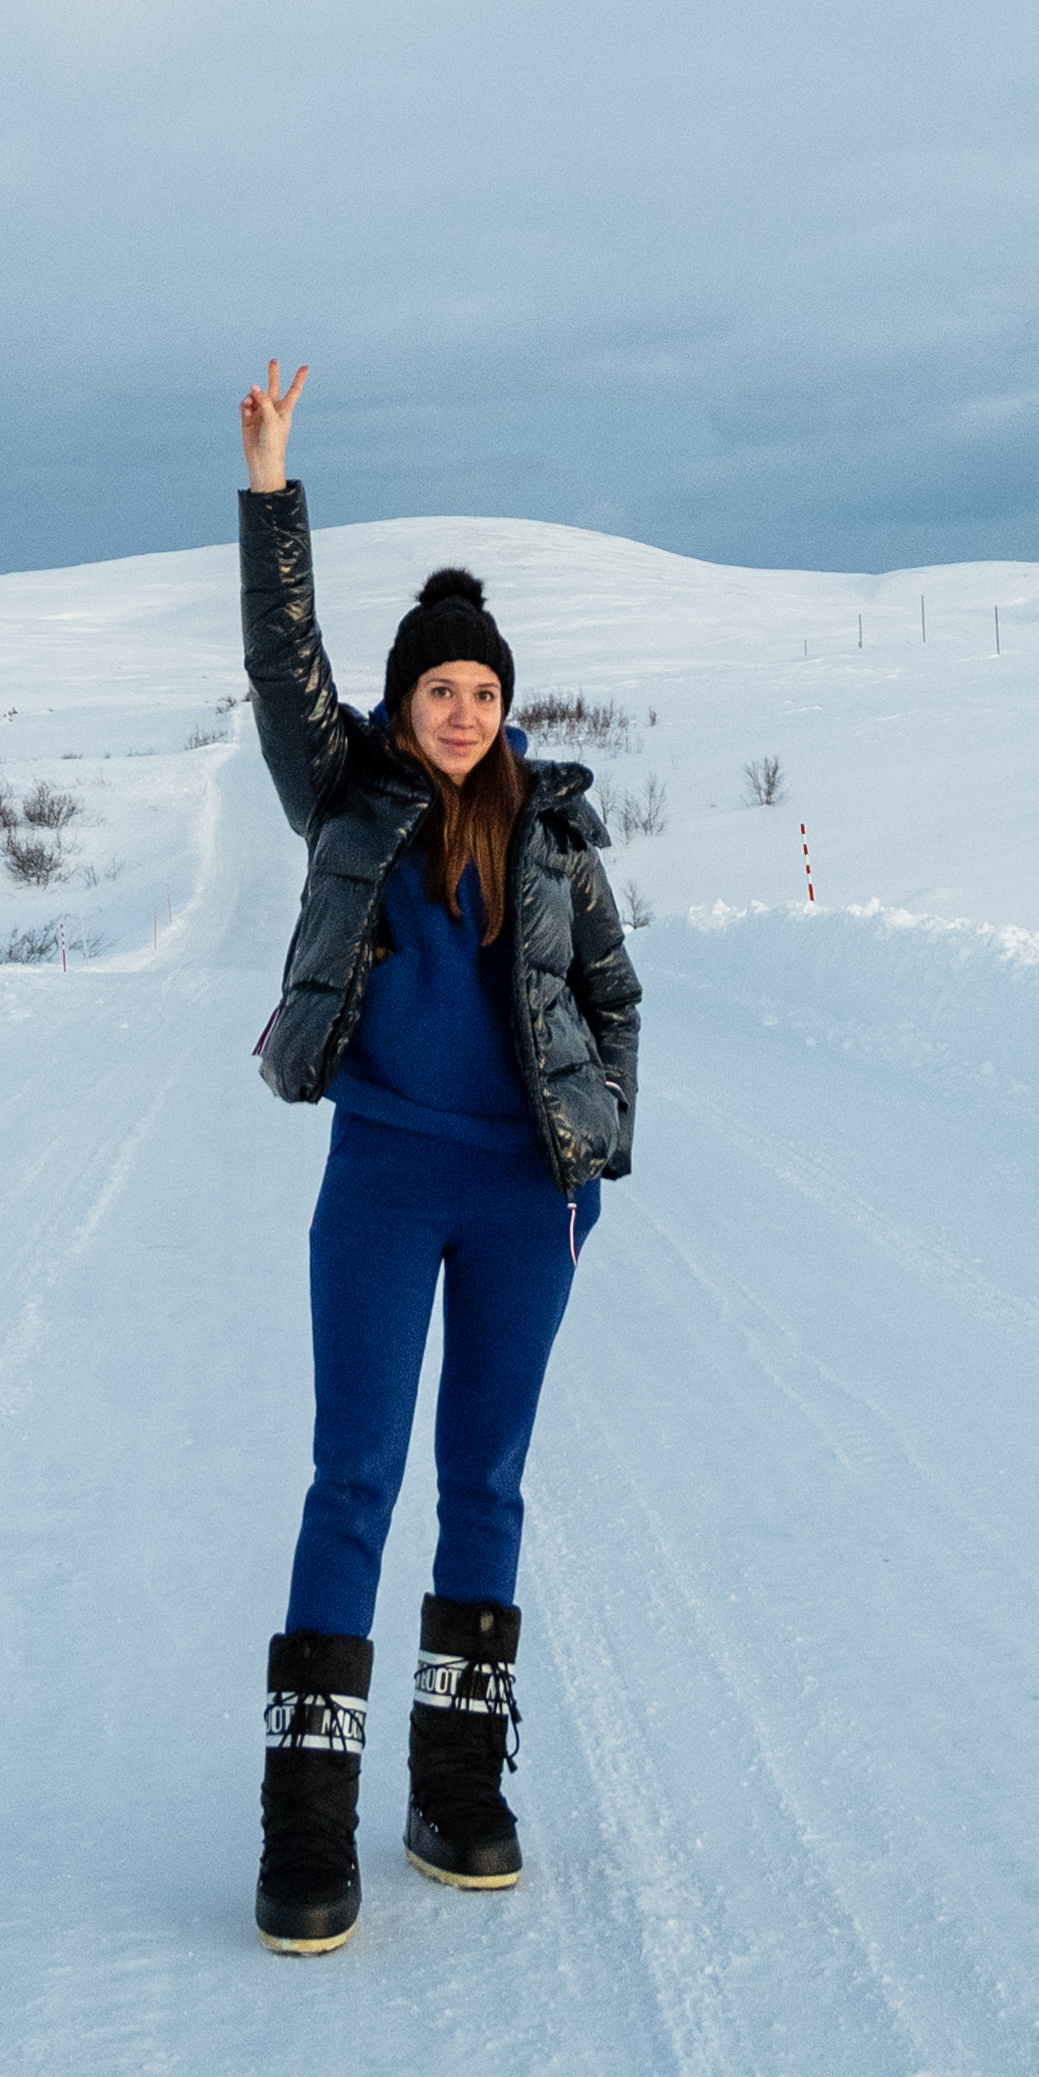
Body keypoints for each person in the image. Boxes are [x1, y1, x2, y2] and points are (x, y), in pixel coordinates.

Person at [236, 355, 640, 1952]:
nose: (463, 711)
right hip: (386, 1184)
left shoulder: (557, 832)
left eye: (482, 689)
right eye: (439, 689)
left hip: (523, 1198)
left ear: (503, 701)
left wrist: (589, 1165)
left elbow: (612, 997)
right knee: (354, 1476)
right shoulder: (350, 800)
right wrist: (272, 490)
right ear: (404, 702)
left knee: (487, 1480)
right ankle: (306, 1823)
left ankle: (457, 1788)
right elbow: (283, 668)